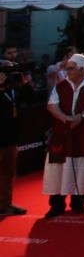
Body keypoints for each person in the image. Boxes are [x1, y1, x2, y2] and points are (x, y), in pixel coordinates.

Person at [43, 54, 84, 218]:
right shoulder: (61, 85)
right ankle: (57, 204)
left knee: (82, 166)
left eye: (71, 68)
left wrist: (81, 116)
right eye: (67, 68)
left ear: (82, 69)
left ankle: (78, 202)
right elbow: (51, 105)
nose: (67, 71)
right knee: (58, 169)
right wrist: (66, 118)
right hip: (62, 135)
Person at [0, 60, 27, 216]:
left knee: (8, 173)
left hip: (11, 139)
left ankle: (5, 204)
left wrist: (24, 83)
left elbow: (30, 97)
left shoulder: (13, 90)